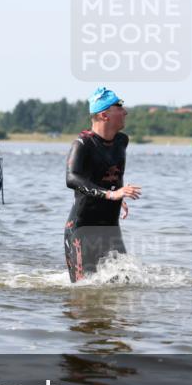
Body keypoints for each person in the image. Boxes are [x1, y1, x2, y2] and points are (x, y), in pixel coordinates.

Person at [63, 87, 141, 283]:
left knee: (125, 283)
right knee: (83, 293)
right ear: (104, 114)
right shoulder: (82, 144)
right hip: (82, 230)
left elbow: (113, 174)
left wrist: (119, 194)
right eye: (120, 107)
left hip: (110, 228)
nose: (125, 112)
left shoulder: (122, 141)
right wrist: (110, 195)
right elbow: (71, 178)